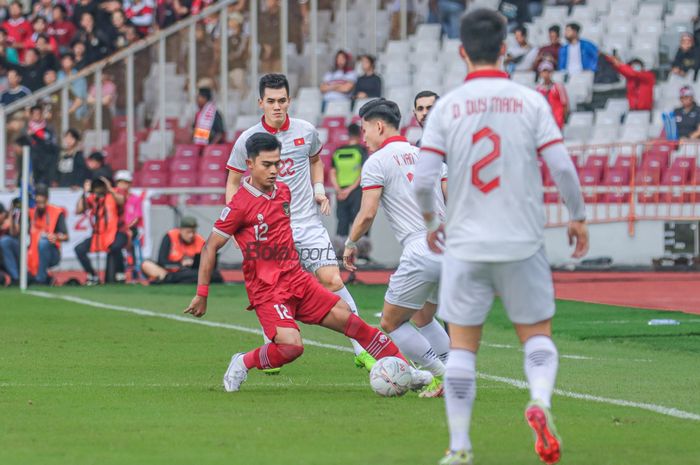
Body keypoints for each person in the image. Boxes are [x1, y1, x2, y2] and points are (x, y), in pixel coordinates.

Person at [412, 9, 588, 465]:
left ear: (462, 51)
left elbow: (424, 180)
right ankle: (540, 402)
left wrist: (432, 223)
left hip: (466, 244)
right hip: (522, 242)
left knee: (464, 347)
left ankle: (459, 447)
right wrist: (578, 216)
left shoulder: (447, 106)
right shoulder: (530, 101)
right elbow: (563, 167)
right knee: (537, 337)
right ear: (506, 48)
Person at [184, 132, 433, 393]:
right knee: (291, 347)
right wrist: (202, 294)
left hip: (298, 280)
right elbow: (210, 246)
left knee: (352, 320)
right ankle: (243, 361)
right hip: (268, 291)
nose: (274, 170)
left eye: (277, 163)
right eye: (266, 164)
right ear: (250, 164)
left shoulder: (283, 191)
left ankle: (408, 371)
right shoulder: (239, 205)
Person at [225, 74, 375, 372]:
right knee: (272, 291)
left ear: (289, 101)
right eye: (271, 102)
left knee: (332, 279)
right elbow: (232, 181)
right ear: (261, 103)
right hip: (268, 231)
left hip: (306, 223)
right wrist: (238, 222)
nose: (277, 107)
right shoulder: (248, 140)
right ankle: (273, 348)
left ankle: (362, 348)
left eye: (282, 101)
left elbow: (316, 161)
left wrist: (319, 191)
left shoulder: (306, 131)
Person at [342, 98, 451, 398]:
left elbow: (367, 213)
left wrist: (351, 243)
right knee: (423, 318)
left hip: (420, 247)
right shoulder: (427, 155)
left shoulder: (377, 161)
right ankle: (451, 375)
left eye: (365, 130)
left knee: (390, 322)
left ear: (379, 126)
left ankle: (442, 375)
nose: (363, 137)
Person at [74, 176, 127, 285]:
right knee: (79, 249)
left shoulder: (114, 193)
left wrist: (109, 188)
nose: (99, 188)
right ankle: (92, 275)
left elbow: (121, 201)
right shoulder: (93, 197)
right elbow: (79, 210)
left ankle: (120, 274)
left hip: (117, 231)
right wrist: (85, 192)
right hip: (99, 235)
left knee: (115, 246)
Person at [142, 216, 224, 284]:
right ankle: (169, 278)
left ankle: (167, 280)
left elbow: (206, 264)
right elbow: (162, 261)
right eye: (188, 232)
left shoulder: (200, 241)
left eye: (193, 232)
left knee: (214, 274)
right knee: (146, 264)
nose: (191, 235)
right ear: (180, 230)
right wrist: (180, 263)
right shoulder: (170, 237)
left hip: (190, 272)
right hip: (169, 271)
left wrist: (192, 263)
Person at [330, 123, 367, 243]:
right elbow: (363, 172)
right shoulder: (361, 150)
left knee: (342, 221)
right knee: (359, 221)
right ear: (359, 134)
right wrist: (350, 189)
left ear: (348, 134)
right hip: (356, 191)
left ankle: (340, 255)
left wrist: (339, 190)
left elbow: (332, 172)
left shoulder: (338, 151)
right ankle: (360, 255)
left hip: (340, 192)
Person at [26, 185, 68, 284]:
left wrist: (56, 237)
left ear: (47, 199)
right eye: (38, 202)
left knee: (43, 242)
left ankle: (40, 279)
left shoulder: (56, 212)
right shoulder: (30, 212)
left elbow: (65, 236)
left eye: (42, 202)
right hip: (33, 252)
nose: (40, 205)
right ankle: (43, 278)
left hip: (52, 253)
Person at [113, 169, 145, 278]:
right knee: (113, 245)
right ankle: (118, 271)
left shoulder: (135, 199)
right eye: (120, 182)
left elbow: (136, 217)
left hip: (131, 228)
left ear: (130, 184)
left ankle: (134, 270)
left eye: (125, 183)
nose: (122, 185)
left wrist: (127, 227)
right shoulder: (113, 198)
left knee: (122, 241)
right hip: (117, 229)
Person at [23, 104, 58, 187]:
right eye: (34, 114)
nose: (37, 116)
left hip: (46, 160)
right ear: (31, 115)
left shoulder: (49, 127)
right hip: (32, 159)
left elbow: (52, 142)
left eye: (39, 113)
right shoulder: (26, 129)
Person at [536, 61, 568, 129]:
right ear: (540, 73)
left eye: (548, 71)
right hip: (544, 123)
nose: (546, 73)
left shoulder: (558, 87)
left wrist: (563, 119)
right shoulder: (538, 89)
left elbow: (564, 104)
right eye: (544, 71)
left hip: (557, 122)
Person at [0, 197, 22, 285]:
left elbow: (14, 232)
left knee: (4, 241)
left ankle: (15, 278)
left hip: (16, 255)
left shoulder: (12, 220)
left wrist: (11, 217)